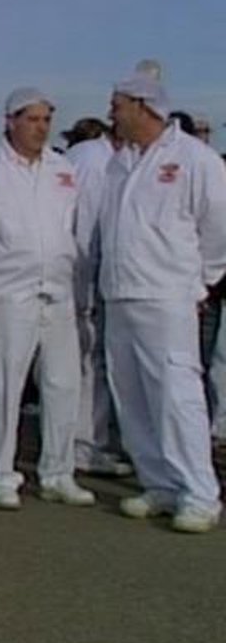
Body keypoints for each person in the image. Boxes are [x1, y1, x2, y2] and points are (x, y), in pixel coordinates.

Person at [98, 72, 226, 533]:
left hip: (167, 296)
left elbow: (218, 228)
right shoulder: (121, 161)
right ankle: (159, 484)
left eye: (117, 105)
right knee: (131, 397)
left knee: (176, 396)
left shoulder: (194, 158)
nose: (111, 113)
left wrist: (200, 282)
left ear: (142, 105)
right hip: (121, 294)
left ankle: (201, 494)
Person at [0, 88, 95, 510]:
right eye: (32, 119)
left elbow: (76, 227)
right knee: (2, 386)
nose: (40, 128)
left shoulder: (62, 169)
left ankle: (58, 472)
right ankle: (1, 473)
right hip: (9, 293)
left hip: (58, 293)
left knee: (63, 385)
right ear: (10, 121)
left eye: (46, 120)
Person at [67, 122, 133, 477]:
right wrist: (87, 286)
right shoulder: (97, 161)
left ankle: (85, 441)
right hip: (85, 279)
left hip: (88, 277)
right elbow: (85, 228)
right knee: (89, 364)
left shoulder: (92, 156)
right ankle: (84, 444)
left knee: (87, 364)